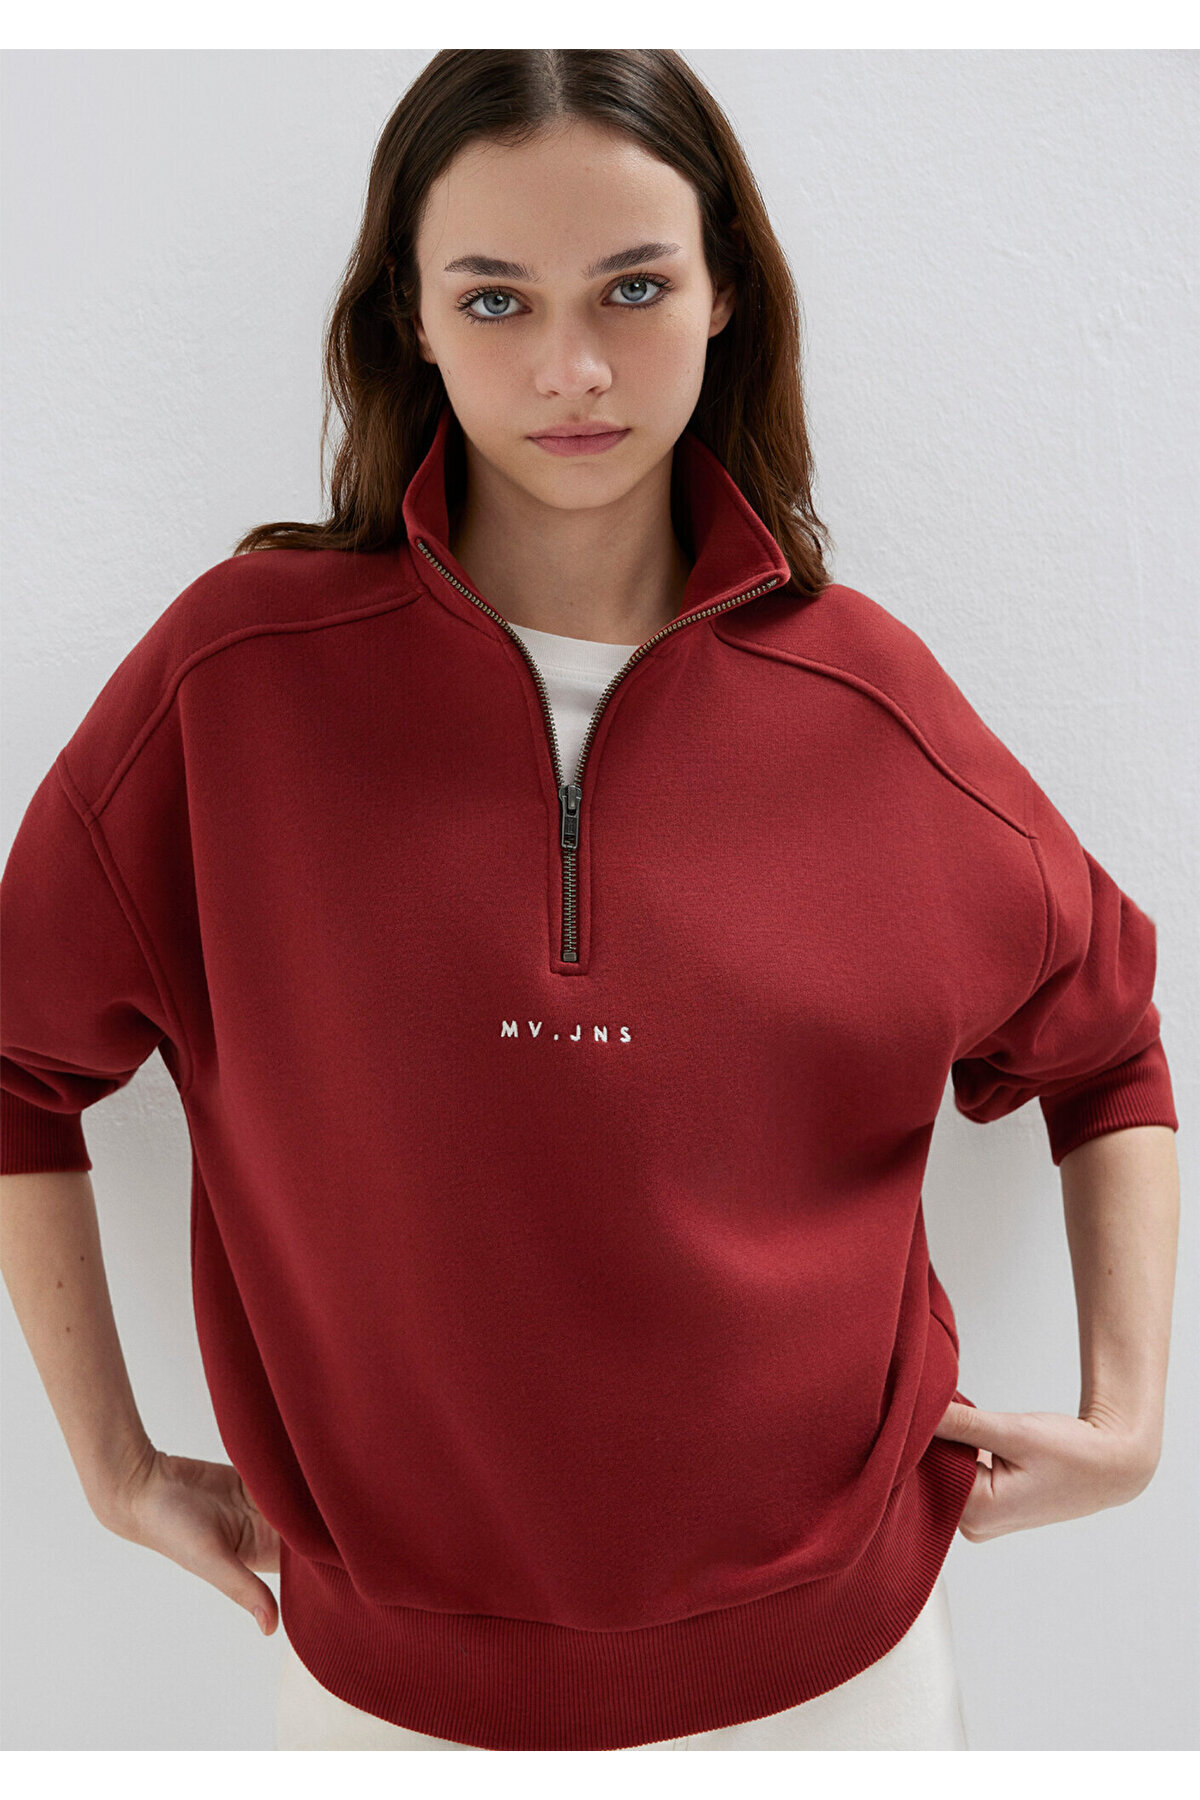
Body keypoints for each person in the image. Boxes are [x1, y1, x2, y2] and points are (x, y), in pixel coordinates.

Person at [0, 50, 1180, 1755]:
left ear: (723, 295)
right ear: (409, 317)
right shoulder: (232, 687)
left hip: (836, 1696)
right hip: (384, 1716)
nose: (570, 370)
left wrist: (1130, 1417)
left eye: (633, 287)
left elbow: (1106, 1038)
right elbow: (19, 1059)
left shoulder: (870, 705)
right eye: (496, 299)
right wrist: (108, 1465)